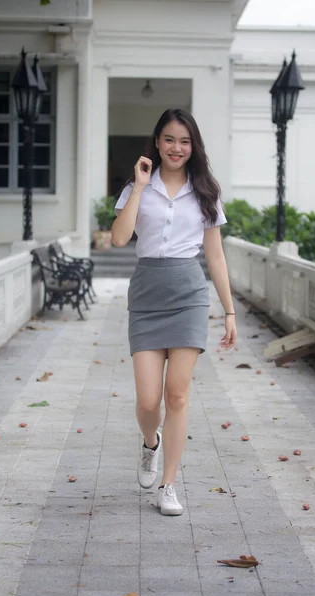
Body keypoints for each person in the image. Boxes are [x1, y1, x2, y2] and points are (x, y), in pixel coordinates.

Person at [111, 108, 237, 516]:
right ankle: (151, 444)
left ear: (193, 145)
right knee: (149, 402)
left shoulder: (205, 192)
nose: (176, 148)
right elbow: (118, 238)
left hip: (188, 293)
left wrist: (229, 312)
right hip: (147, 293)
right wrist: (140, 186)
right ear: (157, 142)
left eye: (184, 141)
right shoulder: (137, 187)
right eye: (169, 139)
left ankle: (168, 484)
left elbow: (215, 257)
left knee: (177, 395)